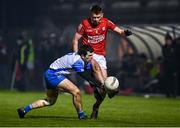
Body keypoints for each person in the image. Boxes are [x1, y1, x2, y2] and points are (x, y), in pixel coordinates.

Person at [72, 4, 132, 119]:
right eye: (93, 17)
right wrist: (76, 56)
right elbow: (75, 40)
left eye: (98, 17)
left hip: (101, 56)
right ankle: (107, 88)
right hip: (88, 55)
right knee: (97, 70)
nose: (95, 19)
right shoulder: (84, 24)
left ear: (102, 15)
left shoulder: (106, 22)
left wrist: (125, 33)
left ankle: (96, 107)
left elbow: (119, 31)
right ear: (90, 15)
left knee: (103, 87)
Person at [17, 45, 105, 119]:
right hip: (54, 75)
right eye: (89, 56)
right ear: (82, 55)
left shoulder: (82, 59)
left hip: (49, 74)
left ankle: (24, 110)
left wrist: (93, 83)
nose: (91, 58)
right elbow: (83, 75)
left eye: (92, 55)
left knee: (50, 101)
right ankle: (81, 115)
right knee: (76, 92)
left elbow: (89, 73)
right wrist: (97, 84)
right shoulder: (78, 61)